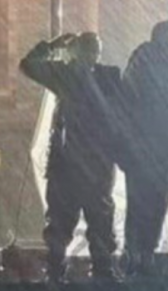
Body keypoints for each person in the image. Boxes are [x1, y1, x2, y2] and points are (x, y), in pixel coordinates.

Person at [20, 32, 122, 282]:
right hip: (92, 164)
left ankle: (60, 272)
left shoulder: (67, 75)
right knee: (95, 220)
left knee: (66, 222)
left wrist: (52, 47)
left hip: (71, 164)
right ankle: (98, 271)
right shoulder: (105, 77)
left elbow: (29, 65)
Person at [121, 21, 168, 277]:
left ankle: (142, 255)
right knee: (145, 205)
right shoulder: (149, 62)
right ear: (164, 39)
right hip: (149, 150)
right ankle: (137, 255)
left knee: (150, 205)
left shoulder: (154, 62)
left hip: (157, 150)